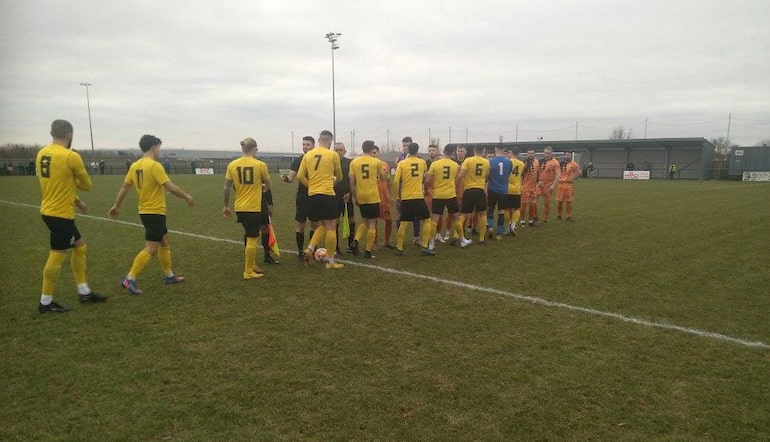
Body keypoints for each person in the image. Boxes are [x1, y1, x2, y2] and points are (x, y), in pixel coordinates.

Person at [35, 119, 106, 313]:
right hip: (60, 214)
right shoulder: (70, 156)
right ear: (69, 135)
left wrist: (77, 201)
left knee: (80, 246)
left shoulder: (42, 153)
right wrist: (75, 177)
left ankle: (84, 291)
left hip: (49, 209)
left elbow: (58, 183)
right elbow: (87, 185)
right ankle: (46, 302)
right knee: (57, 254)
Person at [108, 135, 194, 294]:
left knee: (164, 241)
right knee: (152, 247)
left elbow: (124, 188)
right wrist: (187, 196)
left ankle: (169, 275)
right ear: (154, 147)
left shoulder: (135, 166)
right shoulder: (154, 166)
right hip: (154, 211)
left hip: (145, 211)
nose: (160, 151)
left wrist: (116, 206)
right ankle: (130, 278)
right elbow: (171, 187)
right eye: (159, 147)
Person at [222, 138, 272, 279]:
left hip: (240, 206)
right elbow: (268, 185)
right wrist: (262, 187)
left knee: (249, 234)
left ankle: (252, 264)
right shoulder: (260, 165)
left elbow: (226, 187)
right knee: (252, 237)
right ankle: (248, 271)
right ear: (255, 149)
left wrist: (225, 205)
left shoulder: (232, 165)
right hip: (253, 207)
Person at [297, 130, 344, 269]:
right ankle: (330, 261)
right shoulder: (332, 154)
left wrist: (311, 185)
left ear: (318, 140)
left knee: (322, 224)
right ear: (330, 141)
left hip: (312, 195)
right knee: (331, 227)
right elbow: (340, 176)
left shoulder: (309, 154)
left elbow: (300, 176)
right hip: (327, 194)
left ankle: (310, 249)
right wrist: (332, 182)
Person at [425, 144, 471, 248]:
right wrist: (455, 188)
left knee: (435, 219)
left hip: (438, 195)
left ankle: (431, 243)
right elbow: (458, 179)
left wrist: (426, 189)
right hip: (451, 195)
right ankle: (463, 240)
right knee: (456, 218)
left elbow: (427, 181)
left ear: (443, 151)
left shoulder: (435, 164)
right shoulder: (455, 165)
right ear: (452, 153)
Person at [393, 142, 433, 255]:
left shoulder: (402, 163)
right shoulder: (422, 162)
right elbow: (425, 177)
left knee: (404, 222)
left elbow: (396, 181)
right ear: (417, 150)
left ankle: (399, 248)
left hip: (406, 197)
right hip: (418, 197)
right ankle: (425, 247)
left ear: (408, 150)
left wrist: (397, 195)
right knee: (427, 220)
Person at [282, 136, 316, 260]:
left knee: (314, 225)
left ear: (313, 145)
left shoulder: (318, 159)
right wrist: (285, 178)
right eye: (303, 144)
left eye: (307, 144)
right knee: (301, 225)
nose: (305, 147)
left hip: (315, 195)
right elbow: (291, 179)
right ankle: (301, 251)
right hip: (302, 196)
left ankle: (312, 250)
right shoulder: (298, 160)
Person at [349, 140, 384, 258]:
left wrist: (355, 197)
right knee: (372, 224)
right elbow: (383, 177)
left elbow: (351, 182)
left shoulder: (354, 162)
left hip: (361, 195)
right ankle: (368, 251)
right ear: (371, 149)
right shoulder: (377, 161)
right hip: (373, 195)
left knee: (364, 221)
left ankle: (356, 240)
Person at [458, 144, 491, 243]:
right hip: (480, 190)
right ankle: (481, 238)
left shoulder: (468, 160)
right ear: (483, 151)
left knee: (463, 214)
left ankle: (456, 236)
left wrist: (457, 185)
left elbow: (461, 175)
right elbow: (486, 177)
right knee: (482, 214)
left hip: (468, 190)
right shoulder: (487, 162)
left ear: (473, 151)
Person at [487, 144, 513, 240]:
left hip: (492, 189)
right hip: (504, 191)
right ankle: (499, 233)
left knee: (490, 208)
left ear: (495, 149)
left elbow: (488, 175)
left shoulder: (490, 161)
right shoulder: (509, 162)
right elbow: (508, 174)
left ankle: (490, 226)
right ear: (504, 150)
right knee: (501, 212)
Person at [333, 142, 355, 255]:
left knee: (351, 219)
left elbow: (352, 180)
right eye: (336, 150)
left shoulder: (350, 163)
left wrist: (350, 193)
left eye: (341, 150)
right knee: (335, 221)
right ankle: (336, 247)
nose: (339, 152)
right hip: (334, 196)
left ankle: (351, 246)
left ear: (345, 151)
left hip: (347, 195)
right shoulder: (330, 162)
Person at [371, 145, 394, 249]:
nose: (373, 154)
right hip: (373, 197)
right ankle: (374, 242)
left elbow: (388, 181)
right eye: (372, 152)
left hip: (384, 197)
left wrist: (390, 194)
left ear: (378, 152)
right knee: (373, 221)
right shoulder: (368, 165)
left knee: (389, 219)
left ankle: (387, 241)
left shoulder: (385, 165)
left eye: (375, 152)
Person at [536, 146, 561, 224]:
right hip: (539, 184)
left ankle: (545, 219)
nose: (547, 154)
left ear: (551, 153)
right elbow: (536, 173)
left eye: (548, 153)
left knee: (547, 203)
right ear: (544, 153)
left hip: (548, 185)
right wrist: (537, 182)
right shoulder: (539, 161)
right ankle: (534, 216)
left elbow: (558, 175)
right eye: (546, 153)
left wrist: (553, 185)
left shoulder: (555, 162)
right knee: (533, 200)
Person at [505, 147, 526, 235]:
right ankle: (513, 225)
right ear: (518, 154)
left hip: (507, 188)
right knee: (517, 208)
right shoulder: (522, 164)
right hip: (517, 189)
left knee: (506, 208)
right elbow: (521, 175)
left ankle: (508, 225)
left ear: (511, 153)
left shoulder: (507, 162)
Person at [556, 152, 581, 222]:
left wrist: (572, 179)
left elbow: (579, 173)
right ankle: (559, 215)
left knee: (568, 201)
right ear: (564, 155)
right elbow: (556, 173)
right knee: (559, 201)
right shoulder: (559, 164)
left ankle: (568, 216)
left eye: (569, 155)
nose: (567, 156)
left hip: (568, 185)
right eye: (566, 155)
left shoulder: (574, 164)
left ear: (571, 156)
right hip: (560, 185)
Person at [520, 149, 540, 226]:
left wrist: (538, 183)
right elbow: (520, 175)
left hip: (533, 188)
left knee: (532, 204)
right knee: (524, 204)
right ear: (527, 154)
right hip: (525, 187)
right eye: (529, 153)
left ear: (534, 154)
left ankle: (531, 220)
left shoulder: (537, 162)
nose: (530, 155)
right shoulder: (524, 163)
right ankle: (522, 220)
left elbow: (537, 173)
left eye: (532, 153)